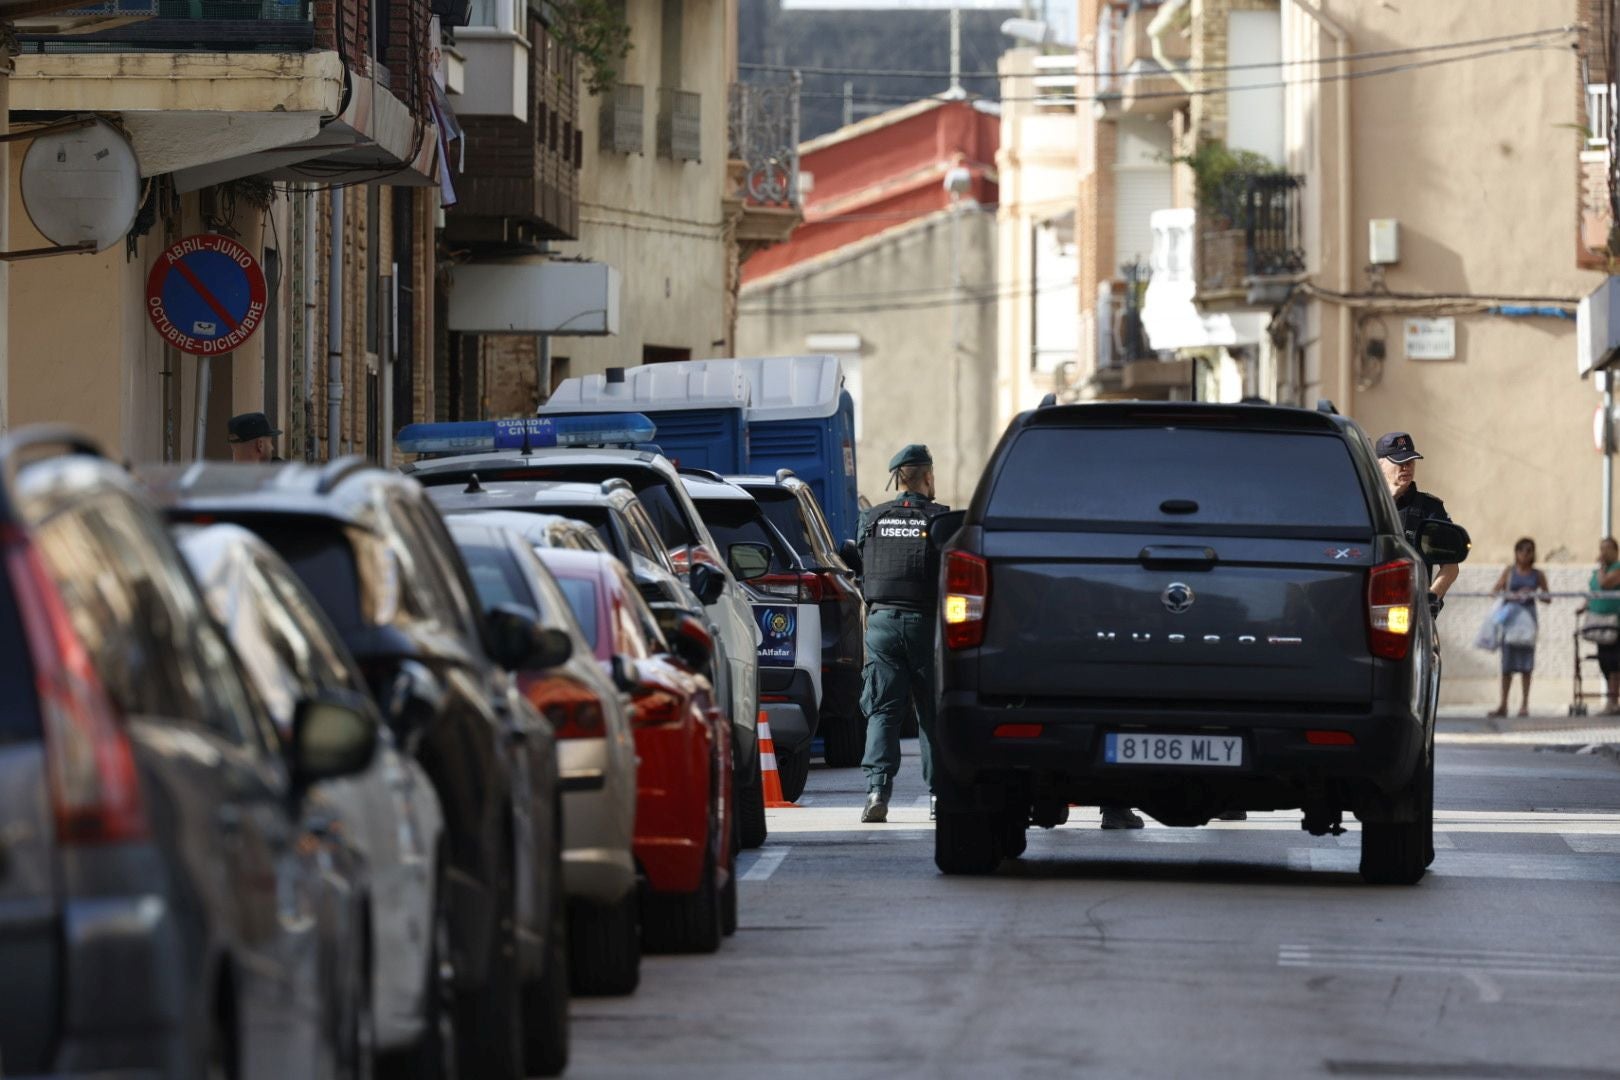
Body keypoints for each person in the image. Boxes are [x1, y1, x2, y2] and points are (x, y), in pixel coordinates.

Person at [858, 444, 952, 824]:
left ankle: (876, 792)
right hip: (926, 626)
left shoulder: (872, 518)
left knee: (883, 711)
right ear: (927, 476)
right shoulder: (941, 520)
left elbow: (861, 569)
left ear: (898, 479)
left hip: (881, 624)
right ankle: (938, 796)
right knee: (932, 713)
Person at [1376, 432, 1458, 613]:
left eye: (1410, 461)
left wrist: (1430, 600)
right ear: (1379, 465)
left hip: (1411, 612)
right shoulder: (1366, 505)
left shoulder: (1430, 508)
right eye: (1400, 462)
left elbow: (1451, 566)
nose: (1406, 467)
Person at [1488, 537, 1550, 718]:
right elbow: (1494, 591)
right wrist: (1512, 595)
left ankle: (1524, 705)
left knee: (1526, 665)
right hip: (1510, 621)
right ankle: (1503, 704)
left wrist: (1533, 594)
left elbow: (1547, 597)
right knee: (1506, 665)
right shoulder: (1509, 572)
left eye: (1529, 550)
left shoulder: (1538, 575)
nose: (1525, 554)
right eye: (1521, 549)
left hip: (1528, 622)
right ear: (1516, 552)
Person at [1584, 537, 1620, 714]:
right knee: (1604, 660)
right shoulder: (1598, 572)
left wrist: (1602, 568)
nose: (1603, 552)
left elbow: (1606, 584)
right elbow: (1594, 590)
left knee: (1614, 661)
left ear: (1615, 551)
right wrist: (1585, 606)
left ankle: (1613, 701)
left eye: (1607, 548)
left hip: (1615, 621)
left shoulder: (1616, 569)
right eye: (1601, 548)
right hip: (1598, 620)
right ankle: (1611, 699)